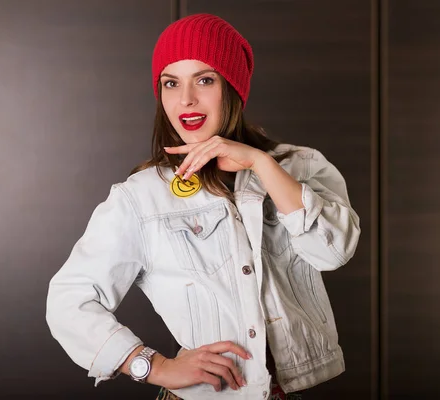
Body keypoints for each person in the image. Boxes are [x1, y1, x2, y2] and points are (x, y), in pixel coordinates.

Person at [46, 13, 361, 400]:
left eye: (205, 79)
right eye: (171, 83)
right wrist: (153, 365)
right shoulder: (142, 196)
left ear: (233, 88)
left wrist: (261, 164)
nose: (186, 99)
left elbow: (333, 252)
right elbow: (68, 300)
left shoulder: (301, 166)